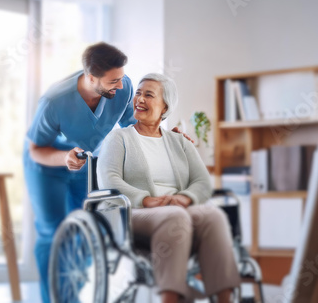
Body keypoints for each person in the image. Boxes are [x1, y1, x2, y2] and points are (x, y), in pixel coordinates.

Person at [24, 43, 192, 303]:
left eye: (122, 77)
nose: (122, 85)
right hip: (47, 164)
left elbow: (136, 125)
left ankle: (79, 295)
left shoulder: (121, 89)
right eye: (114, 80)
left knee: (87, 230)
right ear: (91, 78)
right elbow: (36, 148)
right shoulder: (55, 101)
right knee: (53, 232)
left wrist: (169, 137)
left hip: (86, 162)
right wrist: (63, 158)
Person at [97, 73, 241, 303]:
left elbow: (202, 181)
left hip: (176, 209)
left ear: (165, 107)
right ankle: (169, 298)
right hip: (134, 212)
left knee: (212, 215)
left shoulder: (180, 141)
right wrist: (145, 199)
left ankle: (225, 299)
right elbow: (109, 179)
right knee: (175, 217)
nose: (140, 99)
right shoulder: (119, 138)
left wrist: (186, 197)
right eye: (138, 93)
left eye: (149, 95)